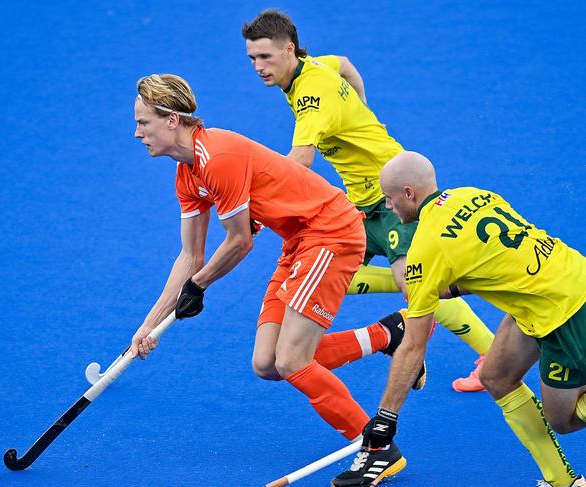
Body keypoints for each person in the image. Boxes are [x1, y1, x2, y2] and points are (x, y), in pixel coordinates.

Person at [127, 74, 421, 482]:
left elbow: (239, 242)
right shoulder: (187, 175)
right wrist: (150, 325)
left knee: (292, 359)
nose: (137, 132)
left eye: (144, 122)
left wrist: (200, 285)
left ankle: (376, 446)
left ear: (172, 119)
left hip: (330, 232)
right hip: (299, 240)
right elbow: (189, 256)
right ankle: (389, 334)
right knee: (268, 363)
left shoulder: (218, 157)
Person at [242, 9, 493, 394]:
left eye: (266, 57)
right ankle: (403, 315)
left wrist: (255, 211)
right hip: (358, 203)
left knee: (415, 289)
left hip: (392, 198)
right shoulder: (313, 66)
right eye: (252, 59)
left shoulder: (310, 96)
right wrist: (360, 109)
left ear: (289, 49)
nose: (258, 67)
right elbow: (345, 65)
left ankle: (491, 356)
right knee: (332, 278)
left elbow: (300, 162)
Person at [339, 150, 586, 486]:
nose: (388, 207)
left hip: (565, 313)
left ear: (408, 193)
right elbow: (491, 263)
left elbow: (413, 346)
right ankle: (563, 481)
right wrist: (433, 287)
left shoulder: (426, 248)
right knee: (496, 376)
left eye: (390, 198)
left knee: (565, 420)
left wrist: (385, 419)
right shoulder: (474, 194)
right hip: (560, 280)